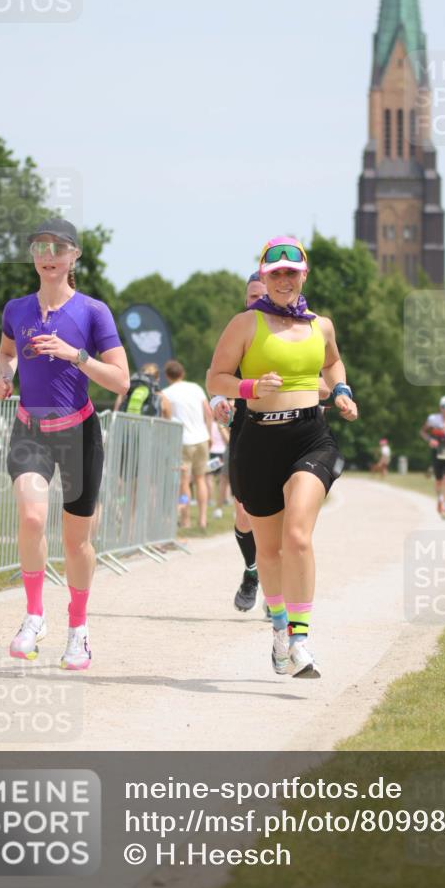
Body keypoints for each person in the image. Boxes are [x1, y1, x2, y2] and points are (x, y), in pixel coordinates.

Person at [207, 237, 358, 678]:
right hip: (258, 441)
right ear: (265, 277)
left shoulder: (320, 326)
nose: (285, 279)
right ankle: (277, 629)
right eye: (276, 273)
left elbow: (333, 365)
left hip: (310, 437)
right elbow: (216, 376)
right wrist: (250, 388)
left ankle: (301, 638)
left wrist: (344, 392)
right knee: (269, 552)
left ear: (304, 275)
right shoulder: (245, 324)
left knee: (298, 537)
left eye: (292, 272)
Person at [0, 218, 129, 670]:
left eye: (59, 247)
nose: (48, 254)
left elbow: (120, 380)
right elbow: (8, 351)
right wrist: (5, 377)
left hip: (79, 433)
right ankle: (34, 616)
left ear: (74, 257)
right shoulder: (16, 308)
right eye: (39, 247)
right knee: (32, 517)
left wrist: (75, 355)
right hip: (30, 429)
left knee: (76, 543)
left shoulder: (93, 312)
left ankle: (78, 627)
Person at [208, 273, 267, 612]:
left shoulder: (293, 331)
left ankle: (278, 591)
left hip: (287, 425)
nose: (257, 300)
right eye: (252, 296)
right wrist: (218, 401)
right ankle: (252, 572)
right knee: (244, 512)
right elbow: (214, 375)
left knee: (285, 515)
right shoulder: (239, 329)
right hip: (245, 425)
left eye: (263, 294)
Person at [162, 360, 212, 531]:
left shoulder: (165, 393)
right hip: (202, 439)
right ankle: (203, 519)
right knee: (200, 479)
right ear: (182, 373)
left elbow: (165, 417)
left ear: (167, 376)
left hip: (182, 441)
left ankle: (186, 519)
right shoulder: (196, 388)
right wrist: (210, 434)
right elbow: (208, 412)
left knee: (183, 482)